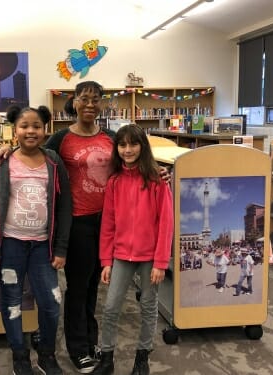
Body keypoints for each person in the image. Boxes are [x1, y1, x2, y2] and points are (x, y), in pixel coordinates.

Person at [0, 81, 170, 373]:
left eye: (96, 99)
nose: (90, 104)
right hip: (77, 222)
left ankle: (92, 340)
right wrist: (6, 149)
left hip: (112, 222)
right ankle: (78, 348)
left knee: (95, 288)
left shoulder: (113, 138)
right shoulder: (61, 139)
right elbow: (31, 150)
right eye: (84, 98)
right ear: (74, 102)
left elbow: (133, 163)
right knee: (77, 287)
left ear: (102, 104)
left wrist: (158, 170)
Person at [0, 105, 72, 375]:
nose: (31, 131)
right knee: (11, 302)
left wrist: (61, 247)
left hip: (43, 246)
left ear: (45, 130)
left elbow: (65, 205)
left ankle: (46, 353)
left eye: (37, 126)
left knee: (51, 303)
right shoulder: (3, 162)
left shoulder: (54, 162)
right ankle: (19, 355)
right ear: (15, 130)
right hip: (10, 245)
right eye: (24, 126)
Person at [92, 124, 174, 375]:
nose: (128, 150)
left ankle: (142, 358)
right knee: (111, 306)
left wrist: (161, 262)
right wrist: (106, 260)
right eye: (122, 145)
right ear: (117, 148)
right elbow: (108, 223)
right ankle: (106, 358)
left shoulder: (157, 180)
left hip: (150, 257)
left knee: (149, 306)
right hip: (121, 255)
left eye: (133, 144)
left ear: (142, 146)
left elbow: (166, 223)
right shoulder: (115, 181)